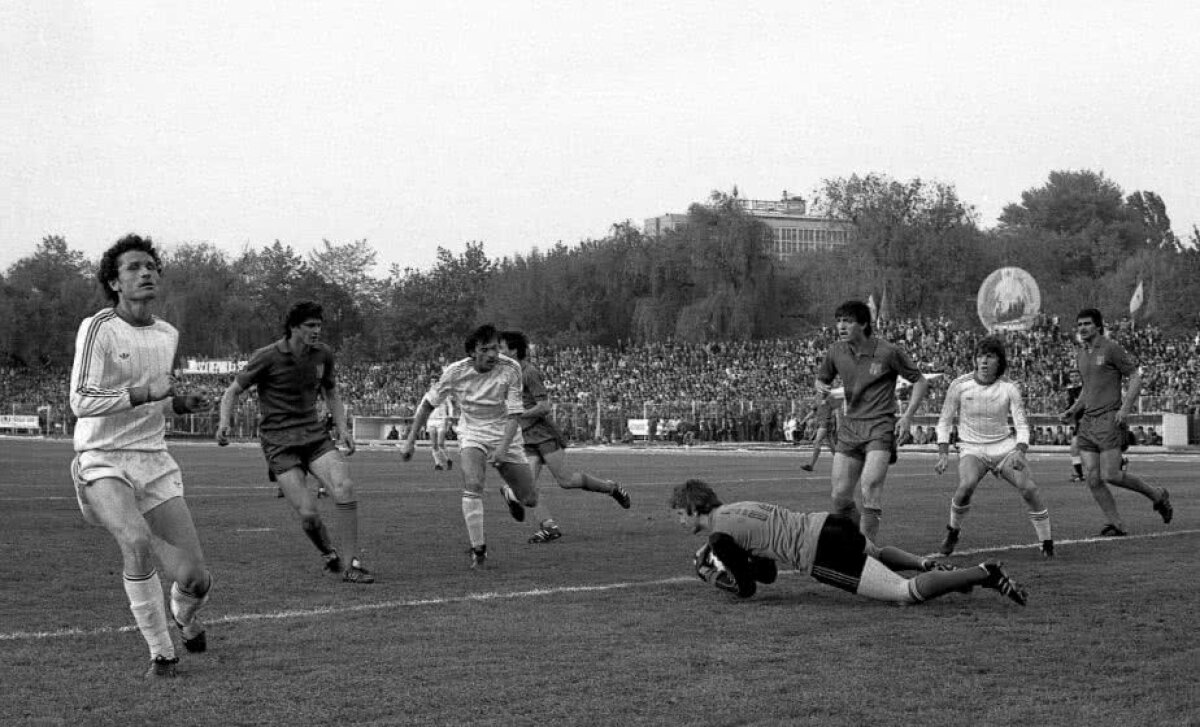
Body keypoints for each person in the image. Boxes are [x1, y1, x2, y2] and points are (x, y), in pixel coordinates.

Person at [69, 234, 214, 678]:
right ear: (114, 282)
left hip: (153, 459)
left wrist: (178, 405)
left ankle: (184, 618)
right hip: (102, 455)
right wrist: (143, 393)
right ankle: (161, 654)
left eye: (151, 266)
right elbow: (81, 401)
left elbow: (157, 399)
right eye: (133, 268)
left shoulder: (168, 333)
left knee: (195, 579)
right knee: (134, 541)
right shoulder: (98, 328)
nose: (146, 273)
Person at [670, 480, 1027, 607]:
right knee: (874, 553)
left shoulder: (719, 537)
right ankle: (925, 563)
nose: (679, 520)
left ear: (692, 508)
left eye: (679, 514)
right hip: (830, 524)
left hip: (819, 552)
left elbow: (749, 588)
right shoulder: (737, 508)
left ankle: (983, 573)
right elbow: (768, 572)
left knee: (904, 594)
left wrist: (714, 576)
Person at [217, 301, 373, 583]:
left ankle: (351, 565)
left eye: (319, 325)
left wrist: (342, 427)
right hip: (279, 443)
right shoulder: (266, 356)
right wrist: (224, 423)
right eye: (310, 326)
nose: (317, 331)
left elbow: (331, 391)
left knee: (345, 487)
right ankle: (329, 553)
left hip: (314, 435)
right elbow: (232, 392)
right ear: (293, 328)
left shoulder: (323, 354)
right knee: (309, 515)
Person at [399, 324, 539, 569]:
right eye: (486, 349)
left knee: (530, 499)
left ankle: (510, 493)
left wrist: (503, 448)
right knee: (473, 484)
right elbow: (427, 404)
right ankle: (479, 550)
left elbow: (515, 414)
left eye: (495, 348)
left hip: (505, 432)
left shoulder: (511, 368)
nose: (493, 354)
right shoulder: (455, 371)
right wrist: (410, 440)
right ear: (473, 351)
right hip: (472, 432)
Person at [498, 331, 631, 543]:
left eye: (502, 348)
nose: (498, 352)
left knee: (565, 481)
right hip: (525, 437)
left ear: (514, 350)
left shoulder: (529, 372)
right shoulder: (507, 374)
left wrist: (519, 414)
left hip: (543, 435)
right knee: (528, 487)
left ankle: (612, 488)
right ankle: (549, 527)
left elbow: (544, 407)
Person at [814, 300, 928, 540]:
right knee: (840, 497)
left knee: (870, 488)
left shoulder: (888, 352)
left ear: (864, 323)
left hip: (880, 426)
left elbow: (920, 380)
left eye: (848, 321)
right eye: (839, 321)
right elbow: (822, 379)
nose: (841, 326)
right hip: (850, 427)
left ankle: (867, 555)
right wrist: (821, 386)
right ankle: (860, 541)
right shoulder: (836, 351)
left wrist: (907, 416)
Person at [934, 337, 1054, 558]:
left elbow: (1021, 424)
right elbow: (944, 420)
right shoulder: (959, 385)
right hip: (972, 447)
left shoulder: (1009, 388)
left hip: (1004, 448)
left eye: (990, 356)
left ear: (1000, 361)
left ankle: (1046, 542)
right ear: (974, 359)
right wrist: (943, 452)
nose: (984, 361)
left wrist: (1020, 450)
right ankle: (953, 531)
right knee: (966, 485)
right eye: (980, 356)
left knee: (1028, 488)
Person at [1060, 308, 1172, 536]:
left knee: (1111, 475)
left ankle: (1157, 494)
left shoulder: (1110, 348)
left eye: (1087, 324)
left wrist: (1126, 408)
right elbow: (1088, 389)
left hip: (1109, 418)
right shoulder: (1081, 354)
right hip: (1088, 422)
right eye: (1079, 324)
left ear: (1099, 326)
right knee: (1092, 478)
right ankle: (1117, 524)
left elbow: (1135, 376)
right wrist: (1073, 410)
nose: (1082, 328)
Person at [423, 374, 456, 471]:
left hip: (441, 420)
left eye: (435, 382)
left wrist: (450, 416)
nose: (433, 383)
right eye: (431, 382)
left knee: (440, 443)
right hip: (431, 420)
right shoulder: (427, 395)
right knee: (434, 444)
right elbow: (422, 406)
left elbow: (450, 406)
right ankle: (438, 464)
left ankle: (448, 459)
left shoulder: (443, 393)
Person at [799, 392, 838, 472]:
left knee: (818, 441)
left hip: (826, 422)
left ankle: (811, 465)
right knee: (830, 444)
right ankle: (842, 462)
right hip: (824, 422)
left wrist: (835, 422)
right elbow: (813, 411)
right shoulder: (819, 399)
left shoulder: (830, 399)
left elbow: (835, 411)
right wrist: (804, 420)